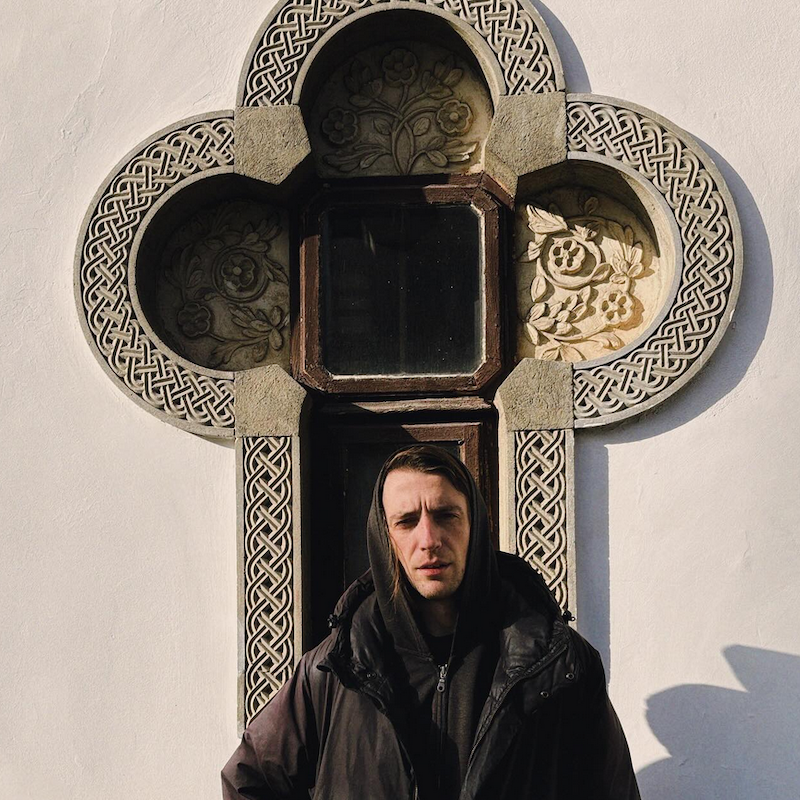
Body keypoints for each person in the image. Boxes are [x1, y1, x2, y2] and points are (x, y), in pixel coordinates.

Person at [222, 445, 641, 799]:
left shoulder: (559, 666)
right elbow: (250, 780)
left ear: (474, 524)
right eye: (407, 522)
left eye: (445, 515)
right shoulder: (333, 671)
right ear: (386, 539)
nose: (429, 540)